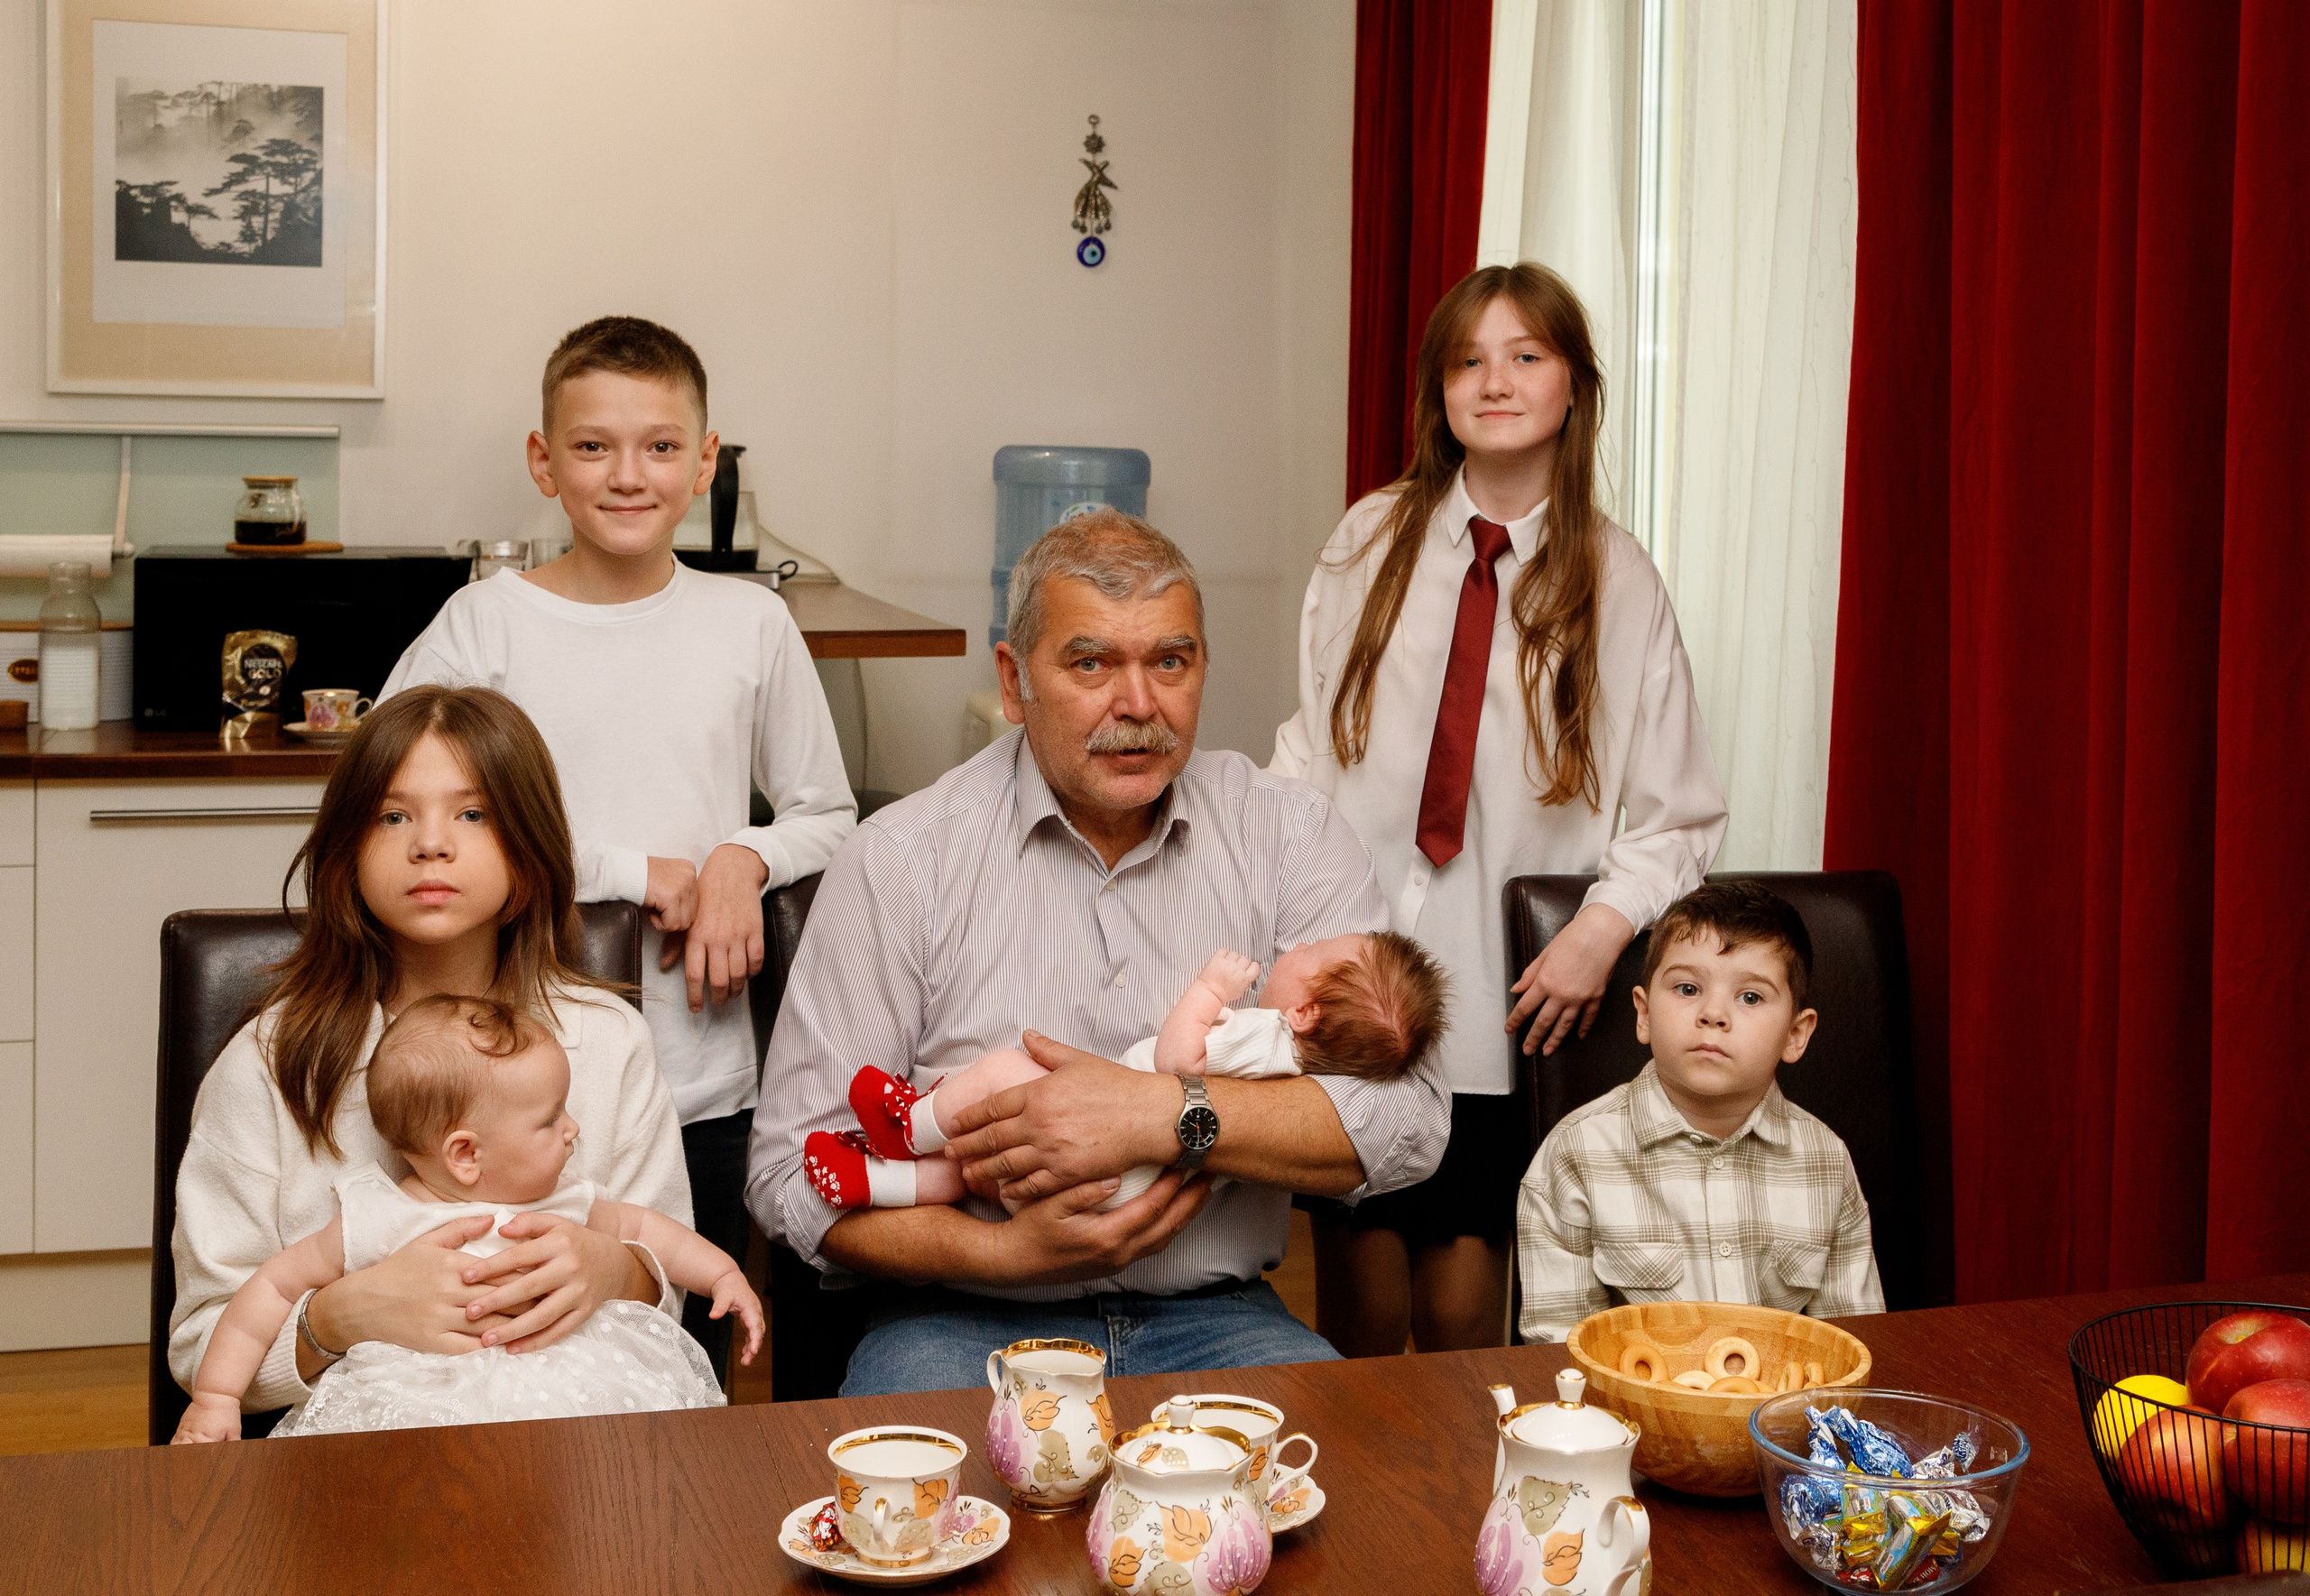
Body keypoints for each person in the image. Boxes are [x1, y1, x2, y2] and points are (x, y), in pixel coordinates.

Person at [746, 512, 1452, 1396]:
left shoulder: (1290, 833)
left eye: (1170, 660)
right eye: (1090, 663)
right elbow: (788, 1170)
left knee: (1349, 1502)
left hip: (1219, 1321)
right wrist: (1003, 1251)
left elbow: (1411, 1122)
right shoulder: (902, 859)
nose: (1139, 704)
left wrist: (1164, 1112)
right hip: (956, 1323)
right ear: (1013, 679)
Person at [383, 317, 856, 1379]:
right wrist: (621, 871)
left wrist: (741, 856)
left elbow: (827, 812)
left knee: (672, 1358)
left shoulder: (751, 625)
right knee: (501, 1353)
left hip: (702, 1071)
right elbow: (389, 806)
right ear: (544, 462)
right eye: (593, 445)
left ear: (705, 462)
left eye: (658, 445)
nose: (627, 474)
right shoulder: (480, 625)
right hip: (497, 1085)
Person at [1270, 262, 1727, 1355]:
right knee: (1362, 1312)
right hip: (1356, 966)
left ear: (1575, 386)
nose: (1495, 380)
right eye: (1468, 360)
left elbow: (1676, 814)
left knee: (1465, 1314)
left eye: (1526, 355)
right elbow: (1305, 745)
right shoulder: (1366, 540)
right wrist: (1285, 918)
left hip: (1503, 990)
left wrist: (1598, 934)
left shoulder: (1617, 580)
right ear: (1439, 393)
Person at [171, 687, 694, 1426]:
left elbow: (667, 1288)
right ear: (348, 849)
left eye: (472, 813)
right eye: (393, 815)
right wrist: (339, 1317)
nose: (431, 843)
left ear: (529, 846)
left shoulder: (608, 1042)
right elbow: (200, 1343)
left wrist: (611, 1267)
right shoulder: (271, 1062)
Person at [174, 996, 762, 1441]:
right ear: (466, 1153)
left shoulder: (563, 1201)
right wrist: (217, 1394)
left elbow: (646, 1231)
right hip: (417, 1417)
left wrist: (724, 1273)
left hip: (573, 1406)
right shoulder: (381, 1215)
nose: (573, 1128)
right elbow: (271, 1288)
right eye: (550, 1118)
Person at [805, 934, 1447, 1211]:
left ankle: (907, 1125)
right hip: (1120, 1184)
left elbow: (1176, 1064)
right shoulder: (1293, 1067)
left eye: (1312, 952)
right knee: (974, 1167)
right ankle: (873, 1180)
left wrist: (1207, 989)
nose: (1296, 944)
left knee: (1002, 1071)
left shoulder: (1265, 1034)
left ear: (1304, 1012)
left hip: (1115, 1163)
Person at [1514, 881, 1884, 1343]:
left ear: (1796, 1034)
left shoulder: (1826, 1161)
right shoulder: (1576, 1155)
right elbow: (1563, 1356)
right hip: (1626, 1413)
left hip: (1782, 1414)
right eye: (1688, 988)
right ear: (1644, 1015)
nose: (1713, 1013)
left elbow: (1848, 1350)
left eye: (1750, 997)